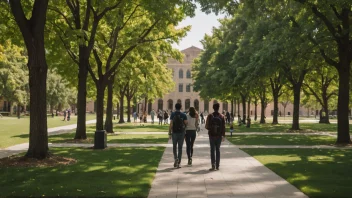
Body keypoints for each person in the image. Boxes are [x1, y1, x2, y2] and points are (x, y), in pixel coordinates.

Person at [205, 103, 225, 171]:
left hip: (211, 135)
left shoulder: (210, 116)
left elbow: (206, 126)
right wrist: (223, 135)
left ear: (213, 108)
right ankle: (217, 166)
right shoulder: (222, 116)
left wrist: (211, 129)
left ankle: (213, 165)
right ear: (218, 108)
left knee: (212, 150)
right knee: (218, 150)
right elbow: (223, 127)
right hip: (219, 135)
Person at [169, 103, 188, 168]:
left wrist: (169, 133)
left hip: (174, 132)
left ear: (175, 107)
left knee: (174, 147)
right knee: (180, 148)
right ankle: (179, 162)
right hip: (181, 133)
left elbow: (171, 124)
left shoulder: (173, 114)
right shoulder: (183, 114)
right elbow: (186, 123)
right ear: (181, 107)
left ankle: (175, 158)